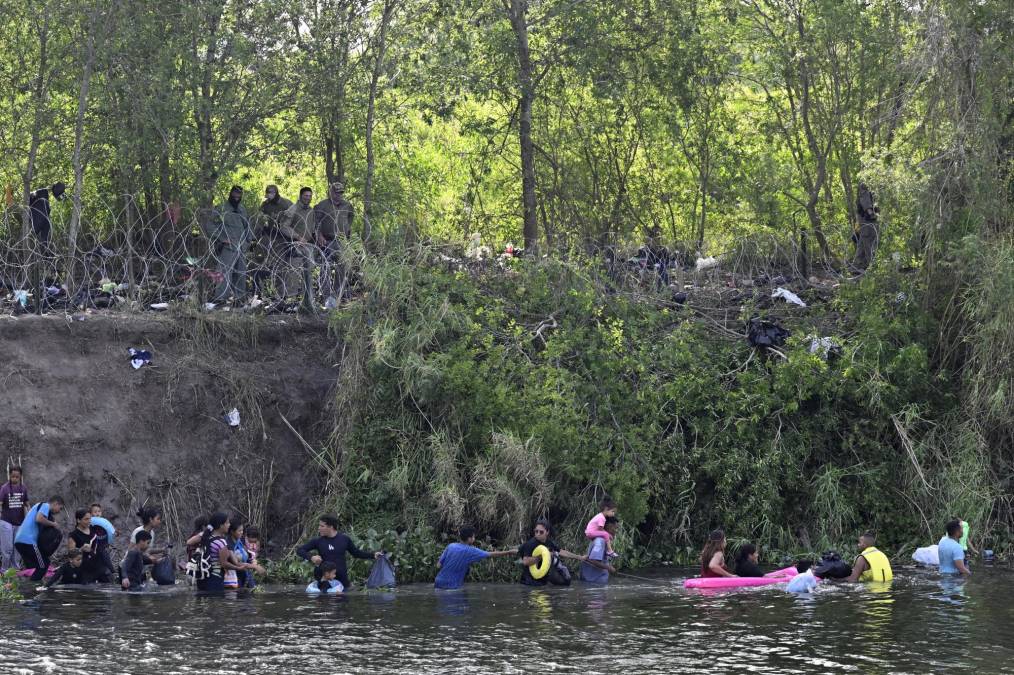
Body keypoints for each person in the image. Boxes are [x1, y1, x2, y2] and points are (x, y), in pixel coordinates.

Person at [296, 515, 381, 590]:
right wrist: (311, 557)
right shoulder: (318, 541)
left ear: (331, 527)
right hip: (325, 581)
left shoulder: (344, 539)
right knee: (324, 606)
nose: (319, 528)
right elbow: (299, 550)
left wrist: (373, 555)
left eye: (322, 526)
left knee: (342, 606)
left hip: (342, 580)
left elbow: (356, 553)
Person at [208, 186, 253, 306]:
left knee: (241, 273)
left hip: (241, 247)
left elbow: (247, 226)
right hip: (228, 247)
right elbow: (210, 225)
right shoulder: (221, 208)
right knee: (223, 272)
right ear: (230, 193)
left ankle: (239, 299)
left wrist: (249, 242)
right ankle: (220, 299)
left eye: (239, 195)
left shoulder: (242, 209)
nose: (237, 197)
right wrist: (222, 239)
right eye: (235, 194)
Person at [313, 181, 355, 309]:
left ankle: (337, 296)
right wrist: (319, 236)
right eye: (336, 193)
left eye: (341, 193)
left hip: (342, 241)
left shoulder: (347, 206)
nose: (338, 195)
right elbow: (315, 222)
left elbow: (350, 219)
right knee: (325, 268)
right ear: (331, 192)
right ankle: (326, 297)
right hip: (327, 241)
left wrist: (346, 232)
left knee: (342, 268)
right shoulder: (322, 205)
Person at [434, 526, 517, 590]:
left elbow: (438, 565)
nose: (474, 538)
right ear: (469, 539)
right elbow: (491, 554)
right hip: (451, 585)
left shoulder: (451, 546)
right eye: (473, 537)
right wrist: (509, 552)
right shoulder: (470, 551)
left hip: (438, 582)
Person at [192, 512, 255, 592]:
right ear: (221, 525)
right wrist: (238, 568)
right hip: (215, 579)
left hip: (202, 577)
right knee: (217, 603)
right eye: (227, 523)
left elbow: (189, 542)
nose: (229, 525)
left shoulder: (207, 537)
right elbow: (224, 563)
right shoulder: (221, 542)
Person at [278, 187, 317, 313]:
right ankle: (290, 302)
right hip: (295, 246)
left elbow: (313, 227)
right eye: (305, 196)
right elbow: (283, 227)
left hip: (308, 246)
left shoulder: (311, 211)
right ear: (301, 196)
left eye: (310, 196)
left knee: (308, 274)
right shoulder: (293, 209)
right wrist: (297, 237)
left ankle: (307, 301)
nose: (308, 198)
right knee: (292, 274)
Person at [14, 496, 63, 581]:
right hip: (28, 541)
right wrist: (53, 524)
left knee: (37, 566)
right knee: (44, 565)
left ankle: (28, 587)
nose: (59, 511)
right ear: (56, 504)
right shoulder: (45, 505)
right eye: (60, 508)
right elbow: (39, 518)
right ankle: (33, 587)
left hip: (19, 541)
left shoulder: (37, 506)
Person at [518, 519, 574, 586]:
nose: (538, 534)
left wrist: (579, 557)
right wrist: (543, 555)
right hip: (528, 582)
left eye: (541, 532)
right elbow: (525, 561)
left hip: (541, 581)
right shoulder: (531, 544)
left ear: (547, 532)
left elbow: (561, 552)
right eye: (536, 531)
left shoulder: (549, 542)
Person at [0, 466, 29, 572]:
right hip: (6, 521)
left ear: (20, 476)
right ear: (10, 476)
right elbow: (0, 503)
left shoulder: (23, 488)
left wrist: (28, 518)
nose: (15, 479)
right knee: (7, 548)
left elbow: (26, 504)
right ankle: (4, 570)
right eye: (13, 476)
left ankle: (15, 570)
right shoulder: (4, 488)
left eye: (17, 477)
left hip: (19, 522)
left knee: (17, 548)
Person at [67, 508, 106, 583]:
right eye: (86, 519)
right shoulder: (74, 535)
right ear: (78, 520)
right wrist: (81, 549)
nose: (89, 521)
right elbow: (71, 555)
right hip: (82, 568)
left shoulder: (93, 532)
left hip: (96, 565)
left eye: (90, 519)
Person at [580, 516, 619, 584]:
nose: (616, 531)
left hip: (594, 581)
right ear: (609, 526)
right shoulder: (600, 541)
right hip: (594, 582)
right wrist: (609, 568)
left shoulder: (601, 540)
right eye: (616, 528)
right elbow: (594, 560)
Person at [852, 182, 880, 271]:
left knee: (862, 244)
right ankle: (870, 265)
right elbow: (867, 206)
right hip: (867, 223)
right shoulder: (866, 194)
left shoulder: (868, 194)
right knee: (868, 244)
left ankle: (857, 265)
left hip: (866, 224)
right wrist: (872, 214)